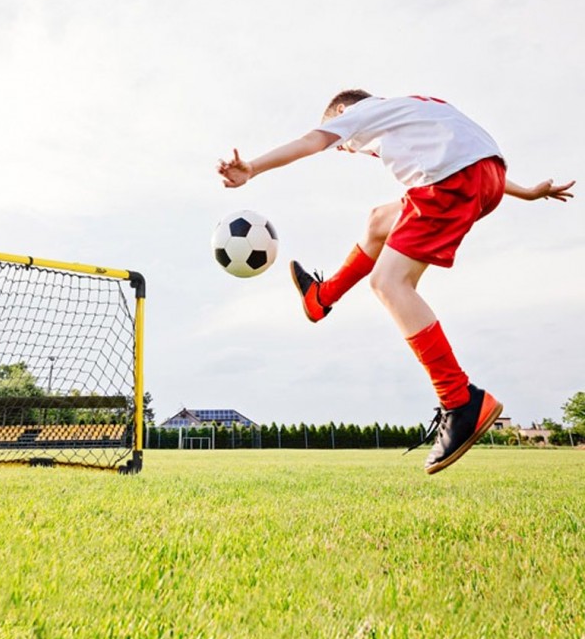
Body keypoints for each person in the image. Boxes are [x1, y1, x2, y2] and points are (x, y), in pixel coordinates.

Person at [217, 90, 575, 474]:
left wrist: (252, 167)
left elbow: (311, 142)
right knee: (377, 221)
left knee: (389, 283)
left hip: (449, 182)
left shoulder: (359, 113)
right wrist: (529, 193)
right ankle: (320, 298)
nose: (343, 148)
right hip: (485, 177)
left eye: (338, 134)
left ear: (341, 111)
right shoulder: (412, 109)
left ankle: (460, 400)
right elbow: (477, 163)